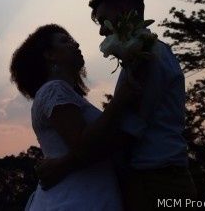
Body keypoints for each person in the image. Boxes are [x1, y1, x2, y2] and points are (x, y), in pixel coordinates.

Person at [38, 0, 196, 211]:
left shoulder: (147, 55)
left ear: (124, 11)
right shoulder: (146, 53)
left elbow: (128, 131)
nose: (102, 30)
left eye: (104, 20)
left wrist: (64, 165)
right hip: (155, 178)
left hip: (156, 181)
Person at [10, 24, 138, 210]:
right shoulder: (54, 90)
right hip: (76, 199)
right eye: (65, 41)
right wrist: (118, 102)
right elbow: (83, 146)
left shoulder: (63, 93)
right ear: (49, 55)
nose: (76, 44)